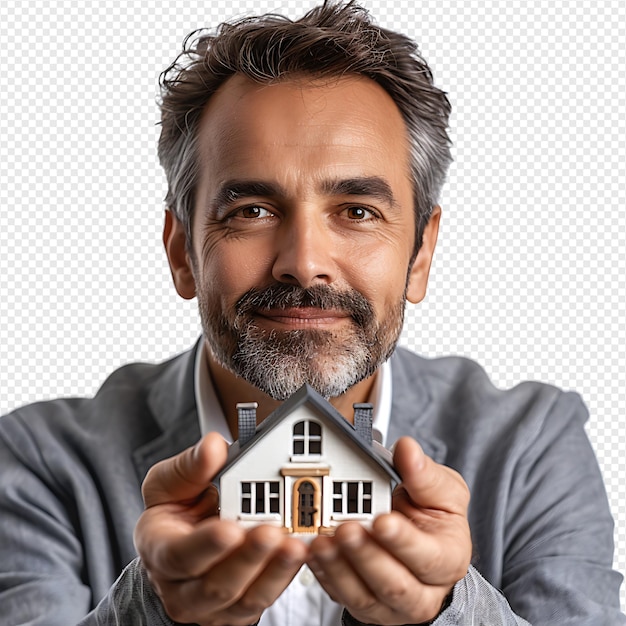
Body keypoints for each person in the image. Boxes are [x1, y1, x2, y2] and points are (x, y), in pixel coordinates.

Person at [0, 1, 623, 624]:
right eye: (251, 211)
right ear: (181, 252)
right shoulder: (39, 461)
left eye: (357, 210)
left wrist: (445, 612)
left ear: (420, 255)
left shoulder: (532, 443)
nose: (303, 262)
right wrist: (154, 611)